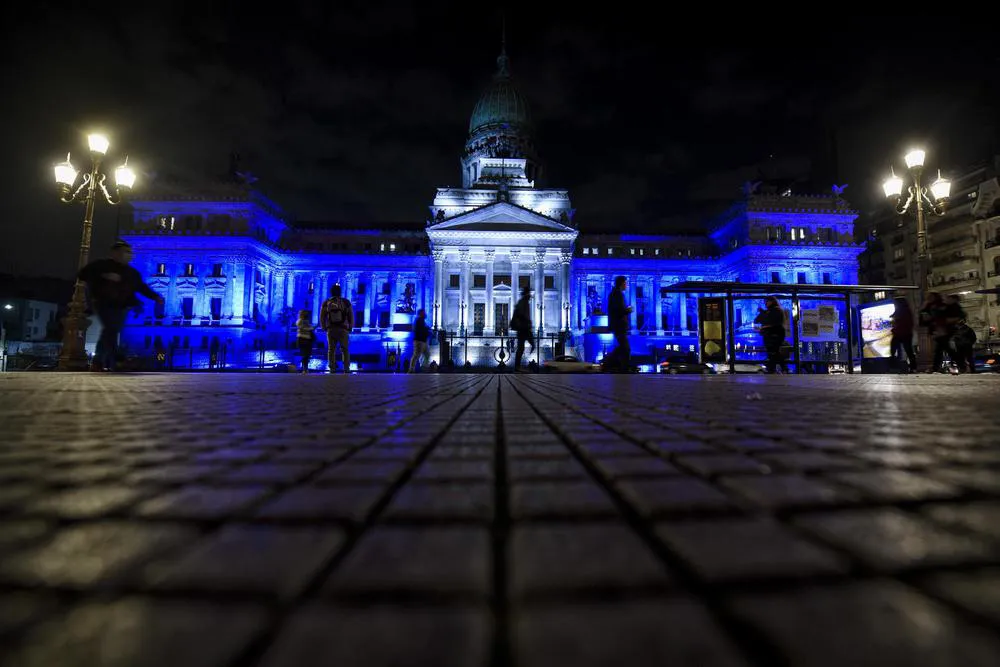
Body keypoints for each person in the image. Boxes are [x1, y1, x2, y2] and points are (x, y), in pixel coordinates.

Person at [78, 240, 163, 371]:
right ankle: (117, 359)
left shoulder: (132, 273)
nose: (129, 255)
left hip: (122, 306)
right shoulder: (101, 265)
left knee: (110, 331)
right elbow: (82, 274)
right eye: (126, 252)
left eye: (130, 252)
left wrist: (155, 297)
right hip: (102, 302)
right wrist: (104, 275)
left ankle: (99, 361)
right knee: (111, 328)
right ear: (115, 253)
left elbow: (141, 287)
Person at [320, 284, 354, 373]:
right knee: (345, 349)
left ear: (331, 292)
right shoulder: (346, 302)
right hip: (343, 329)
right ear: (340, 292)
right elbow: (351, 315)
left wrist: (324, 327)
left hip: (331, 329)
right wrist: (350, 326)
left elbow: (322, 316)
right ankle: (346, 368)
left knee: (331, 349)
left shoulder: (326, 302)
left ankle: (332, 368)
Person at [606, 275, 633, 371]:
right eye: (626, 283)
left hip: (617, 325)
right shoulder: (617, 294)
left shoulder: (614, 293)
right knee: (625, 348)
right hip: (619, 325)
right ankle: (622, 367)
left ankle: (609, 362)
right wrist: (628, 310)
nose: (627, 285)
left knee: (622, 347)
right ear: (621, 284)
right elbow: (618, 311)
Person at [754, 296, 786, 374]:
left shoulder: (775, 311)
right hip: (774, 334)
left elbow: (769, 321)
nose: (765, 303)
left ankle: (775, 369)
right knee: (774, 352)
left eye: (767, 301)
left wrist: (764, 326)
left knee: (773, 352)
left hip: (773, 334)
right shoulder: (774, 311)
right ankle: (776, 368)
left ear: (771, 301)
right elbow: (759, 320)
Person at [889, 297, 916, 373]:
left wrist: (895, 320)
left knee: (907, 350)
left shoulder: (904, 311)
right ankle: (911, 367)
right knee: (906, 350)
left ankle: (911, 367)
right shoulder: (901, 310)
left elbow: (905, 322)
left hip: (904, 333)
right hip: (901, 333)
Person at [511, 285, 534, 372]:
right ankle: (517, 366)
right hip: (523, 327)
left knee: (521, 347)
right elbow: (521, 314)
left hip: (523, 327)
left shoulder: (524, 302)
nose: (530, 296)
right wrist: (527, 322)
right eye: (529, 293)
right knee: (521, 347)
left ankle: (517, 366)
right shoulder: (523, 302)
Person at [409, 308, 431, 373]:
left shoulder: (422, 321)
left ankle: (424, 367)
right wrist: (427, 330)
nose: (425, 314)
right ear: (421, 314)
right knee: (416, 355)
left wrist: (427, 330)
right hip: (419, 341)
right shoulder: (418, 320)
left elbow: (423, 329)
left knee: (427, 354)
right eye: (424, 313)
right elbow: (420, 330)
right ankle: (411, 369)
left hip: (423, 341)